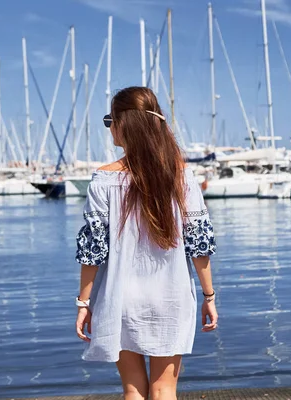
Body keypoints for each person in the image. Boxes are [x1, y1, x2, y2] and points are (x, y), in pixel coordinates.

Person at [74, 86, 217, 400]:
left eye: (111, 120)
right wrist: (209, 296)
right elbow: (199, 244)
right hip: (171, 295)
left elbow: (92, 250)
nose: (110, 127)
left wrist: (84, 304)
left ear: (126, 124)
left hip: (120, 297)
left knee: (133, 390)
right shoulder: (181, 177)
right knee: (164, 389)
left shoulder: (104, 178)